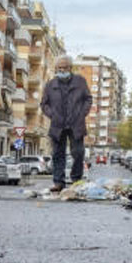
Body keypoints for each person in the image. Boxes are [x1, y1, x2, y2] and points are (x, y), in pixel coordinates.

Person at [40, 55, 93, 192]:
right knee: (57, 154)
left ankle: (76, 179)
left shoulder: (80, 81)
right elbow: (44, 104)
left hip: (76, 123)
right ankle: (58, 182)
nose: (62, 70)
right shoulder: (51, 84)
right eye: (59, 68)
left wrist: (82, 113)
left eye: (64, 67)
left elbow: (88, 99)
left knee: (79, 152)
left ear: (70, 68)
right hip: (57, 125)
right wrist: (51, 114)